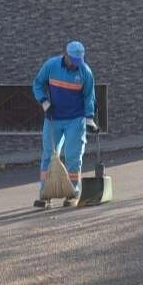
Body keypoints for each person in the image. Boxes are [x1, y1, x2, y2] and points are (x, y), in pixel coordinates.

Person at [32, 40, 97, 208]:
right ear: (65, 55)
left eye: (79, 61)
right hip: (53, 118)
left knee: (73, 156)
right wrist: (44, 102)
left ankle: (72, 193)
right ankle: (45, 194)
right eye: (73, 61)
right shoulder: (51, 66)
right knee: (49, 155)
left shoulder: (85, 72)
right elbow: (37, 84)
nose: (76, 65)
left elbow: (89, 97)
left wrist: (89, 120)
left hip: (75, 119)